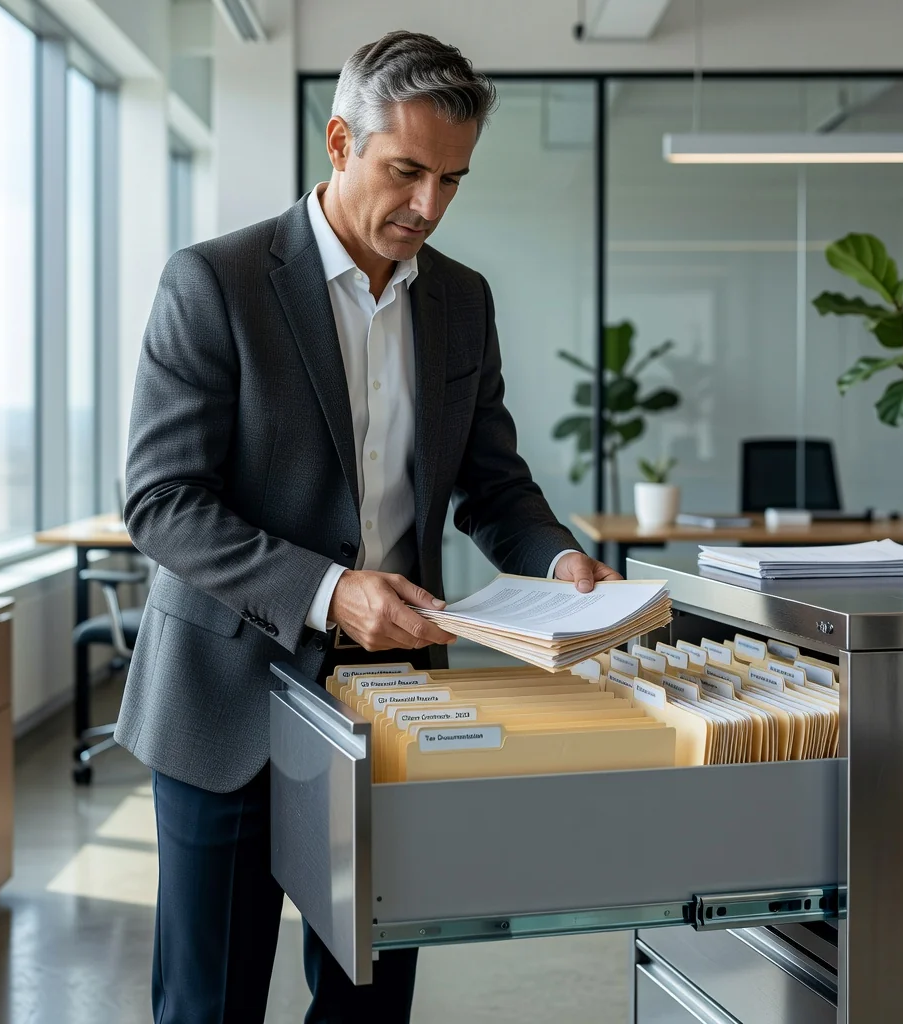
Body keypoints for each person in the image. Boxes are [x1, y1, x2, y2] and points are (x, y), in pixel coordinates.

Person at [116, 29, 620, 1024]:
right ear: (340, 142)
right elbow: (160, 500)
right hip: (227, 700)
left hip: (390, 708)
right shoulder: (213, 283)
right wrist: (327, 589)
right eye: (406, 171)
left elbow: (491, 484)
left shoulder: (462, 304)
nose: (427, 207)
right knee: (209, 1004)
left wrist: (558, 557)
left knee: (370, 1001)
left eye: (452, 180)